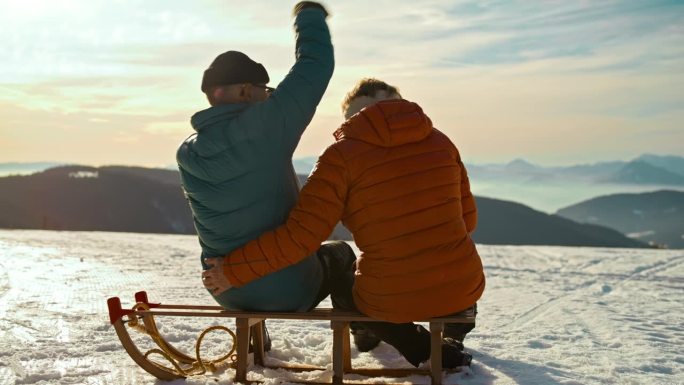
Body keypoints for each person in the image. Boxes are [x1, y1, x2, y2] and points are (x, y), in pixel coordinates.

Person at [202, 78, 486, 368]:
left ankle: (401, 342)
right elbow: (468, 220)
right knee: (455, 266)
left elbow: (301, 236)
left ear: (352, 116)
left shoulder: (340, 157)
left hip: (388, 300)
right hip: (462, 289)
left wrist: (233, 271)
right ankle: (454, 335)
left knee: (340, 257)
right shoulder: (441, 142)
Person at [176, 1, 339, 349]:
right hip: (288, 289)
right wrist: (308, 14)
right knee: (340, 254)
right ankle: (368, 334)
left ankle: (253, 342)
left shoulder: (187, 151)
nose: (270, 96)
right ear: (247, 91)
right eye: (265, 90)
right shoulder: (267, 128)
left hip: (226, 290)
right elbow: (315, 65)